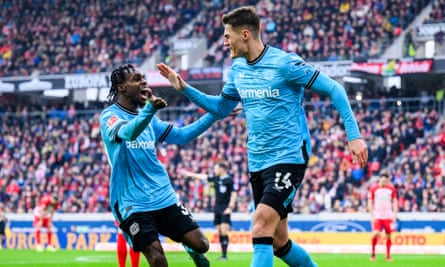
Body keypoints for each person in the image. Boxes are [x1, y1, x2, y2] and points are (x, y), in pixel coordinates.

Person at [157, 6, 368, 267]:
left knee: (259, 228)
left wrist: (354, 136)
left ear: (244, 34)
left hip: (289, 157)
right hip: (257, 162)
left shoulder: (285, 64)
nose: (224, 42)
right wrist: (185, 88)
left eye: (227, 36)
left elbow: (335, 89)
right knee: (279, 242)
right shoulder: (237, 70)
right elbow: (222, 108)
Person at [99, 63, 219, 267]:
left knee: (202, 244)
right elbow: (128, 133)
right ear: (121, 87)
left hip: (163, 196)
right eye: (137, 79)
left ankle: (190, 247)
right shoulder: (110, 116)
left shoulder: (149, 119)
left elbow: (181, 136)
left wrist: (214, 115)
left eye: (144, 78)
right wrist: (149, 110)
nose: (144, 82)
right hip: (132, 202)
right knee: (157, 258)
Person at [181, 161, 238, 261]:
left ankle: (224, 255)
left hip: (225, 208)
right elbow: (203, 177)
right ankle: (223, 255)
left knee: (224, 230)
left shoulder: (229, 180)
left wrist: (230, 207)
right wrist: (190, 174)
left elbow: (234, 194)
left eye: (216, 168)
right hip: (217, 208)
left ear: (222, 169)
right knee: (220, 231)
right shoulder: (216, 178)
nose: (214, 170)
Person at [368, 173, 398, 262]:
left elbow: (395, 201)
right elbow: (370, 202)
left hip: (388, 215)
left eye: (386, 181)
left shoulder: (391, 189)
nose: (384, 182)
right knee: (376, 233)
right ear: (380, 179)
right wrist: (371, 215)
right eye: (383, 180)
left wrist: (395, 214)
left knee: (388, 236)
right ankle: (373, 253)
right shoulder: (374, 189)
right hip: (378, 215)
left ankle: (388, 256)